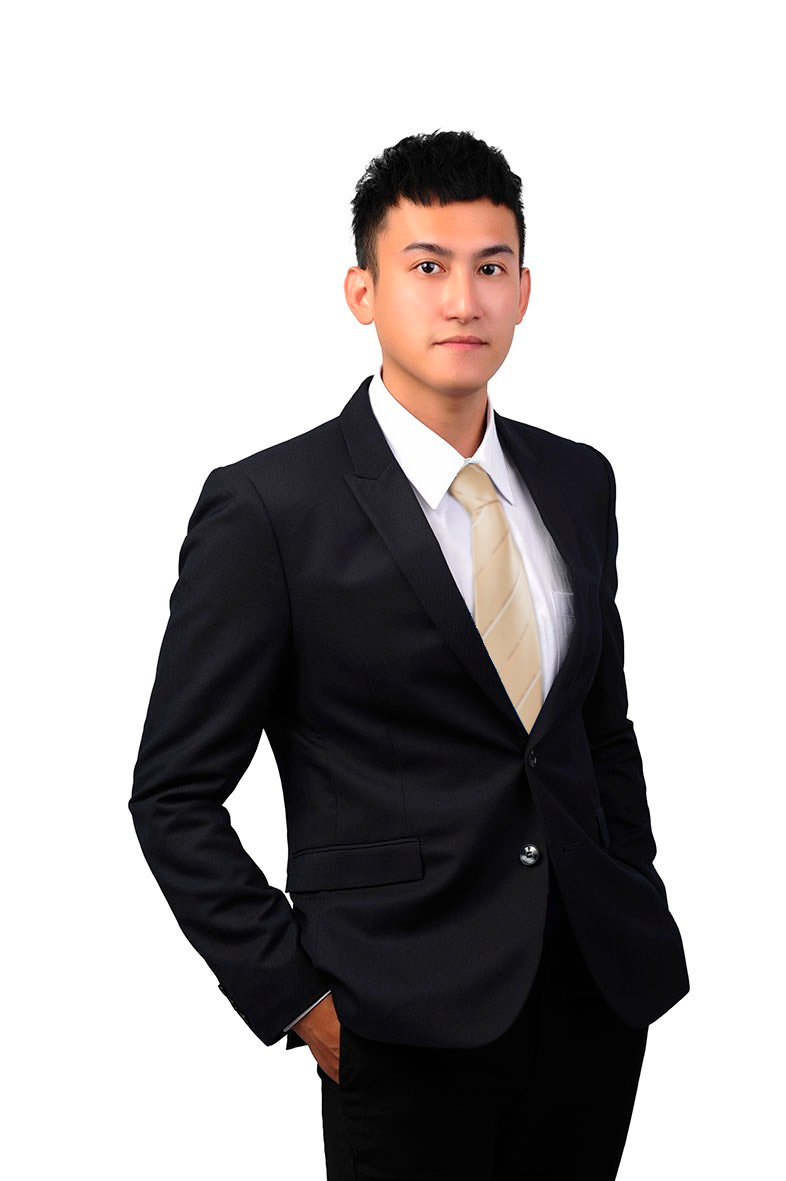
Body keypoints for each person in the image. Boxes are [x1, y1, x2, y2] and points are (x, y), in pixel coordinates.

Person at [130, 130, 689, 1180]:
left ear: (525, 290)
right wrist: (297, 996)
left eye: (491, 268)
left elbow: (596, 724)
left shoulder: (579, 480)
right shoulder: (269, 508)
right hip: (395, 1017)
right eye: (427, 267)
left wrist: (634, 886)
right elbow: (172, 794)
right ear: (363, 291)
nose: (463, 301)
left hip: (593, 998)